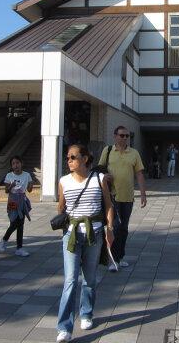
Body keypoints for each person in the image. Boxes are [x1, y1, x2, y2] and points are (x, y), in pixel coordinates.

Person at [56, 144, 114, 343]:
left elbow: (108, 205)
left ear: (86, 158)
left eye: (73, 157)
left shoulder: (99, 179)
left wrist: (110, 229)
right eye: (68, 157)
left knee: (89, 278)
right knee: (70, 281)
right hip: (71, 235)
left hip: (95, 234)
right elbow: (61, 208)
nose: (69, 161)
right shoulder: (63, 181)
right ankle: (64, 327)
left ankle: (87, 313)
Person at [98, 126, 146, 272]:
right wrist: (104, 177)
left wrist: (143, 194)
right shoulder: (107, 151)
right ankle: (113, 259)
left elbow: (139, 174)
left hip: (128, 197)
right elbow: (99, 171)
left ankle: (120, 256)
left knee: (124, 229)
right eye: (122, 135)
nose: (125, 138)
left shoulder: (134, 153)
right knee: (115, 227)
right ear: (115, 136)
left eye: (127, 136)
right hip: (112, 196)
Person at [0, 155, 33, 256]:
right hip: (13, 200)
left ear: (21, 164)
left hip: (22, 199)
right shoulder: (9, 176)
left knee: (21, 224)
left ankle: (19, 247)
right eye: (13, 163)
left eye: (17, 163)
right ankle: (4, 239)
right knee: (14, 222)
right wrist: (11, 186)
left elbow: (29, 189)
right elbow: (6, 190)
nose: (16, 165)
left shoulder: (26, 175)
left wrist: (30, 186)